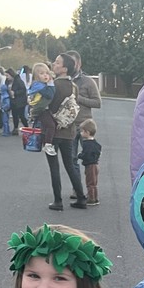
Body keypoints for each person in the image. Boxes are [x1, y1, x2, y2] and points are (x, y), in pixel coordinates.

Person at [46, 53, 87, 210]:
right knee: (70, 164)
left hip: (53, 131)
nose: (54, 65)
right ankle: (81, 197)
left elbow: (46, 106)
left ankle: (58, 201)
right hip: (69, 131)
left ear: (64, 69)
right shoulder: (74, 87)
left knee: (54, 166)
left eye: (57, 63)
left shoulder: (53, 86)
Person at [65, 50, 101, 186]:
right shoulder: (63, 81)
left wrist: (78, 98)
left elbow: (97, 103)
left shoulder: (88, 81)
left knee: (89, 160)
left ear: (79, 63)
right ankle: (77, 188)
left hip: (85, 126)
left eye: (72, 63)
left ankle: (91, 188)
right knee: (72, 159)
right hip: (69, 126)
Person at [28, 62, 56, 155]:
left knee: (49, 125)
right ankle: (48, 144)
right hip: (41, 110)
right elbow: (50, 94)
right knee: (51, 126)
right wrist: (51, 83)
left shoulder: (41, 85)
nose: (45, 75)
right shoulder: (38, 85)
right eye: (42, 73)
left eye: (47, 73)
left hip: (42, 109)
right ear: (36, 76)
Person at [77, 118, 102, 205]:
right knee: (94, 182)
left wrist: (80, 155)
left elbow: (86, 155)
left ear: (87, 132)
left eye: (82, 131)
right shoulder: (96, 144)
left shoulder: (87, 144)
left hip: (90, 165)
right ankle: (95, 197)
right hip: (96, 164)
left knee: (90, 182)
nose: (81, 133)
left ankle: (91, 198)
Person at [7, 68, 29, 134]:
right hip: (14, 101)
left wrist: (15, 92)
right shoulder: (11, 81)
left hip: (20, 101)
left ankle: (27, 127)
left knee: (21, 116)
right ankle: (15, 128)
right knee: (15, 116)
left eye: (7, 75)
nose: (7, 77)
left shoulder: (19, 81)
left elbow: (23, 90)